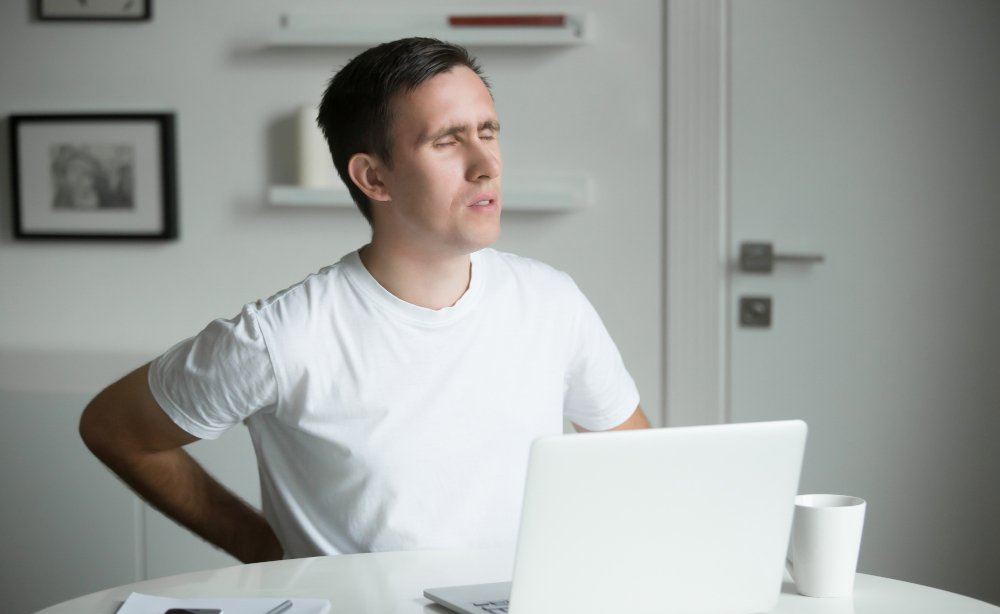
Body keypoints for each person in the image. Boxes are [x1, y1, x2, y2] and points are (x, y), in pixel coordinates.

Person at [79, 37, 649, 564]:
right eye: (448, 141)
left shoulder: (552, 302)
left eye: (489, 131)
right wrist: (265, 552)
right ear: (374, 178)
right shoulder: (284, 337)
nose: (486, 165)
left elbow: (636, 467)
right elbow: (113, 428)